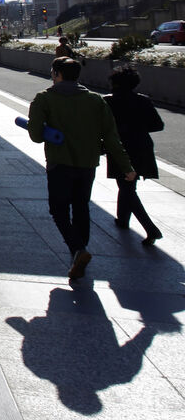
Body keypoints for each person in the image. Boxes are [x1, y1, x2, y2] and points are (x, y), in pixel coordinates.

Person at [28, 56, 137, 279]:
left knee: (58, 210)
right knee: (81, 207)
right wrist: (127, 167)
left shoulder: (44, 99)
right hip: (88, 164)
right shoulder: (96, 101)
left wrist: (48, 129)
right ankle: (80, 251)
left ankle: (78, 249)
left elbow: (36, 136)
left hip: (59, 164)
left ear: (57, 74)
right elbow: (111, 137)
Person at [103, 66, 165, 245]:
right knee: (129, 185)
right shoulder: (143, 101)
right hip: (142, 147)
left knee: (126, 187)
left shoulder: (109, 101)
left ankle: (151, 228)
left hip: (120, 148)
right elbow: (157, 125)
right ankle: (122, 219)